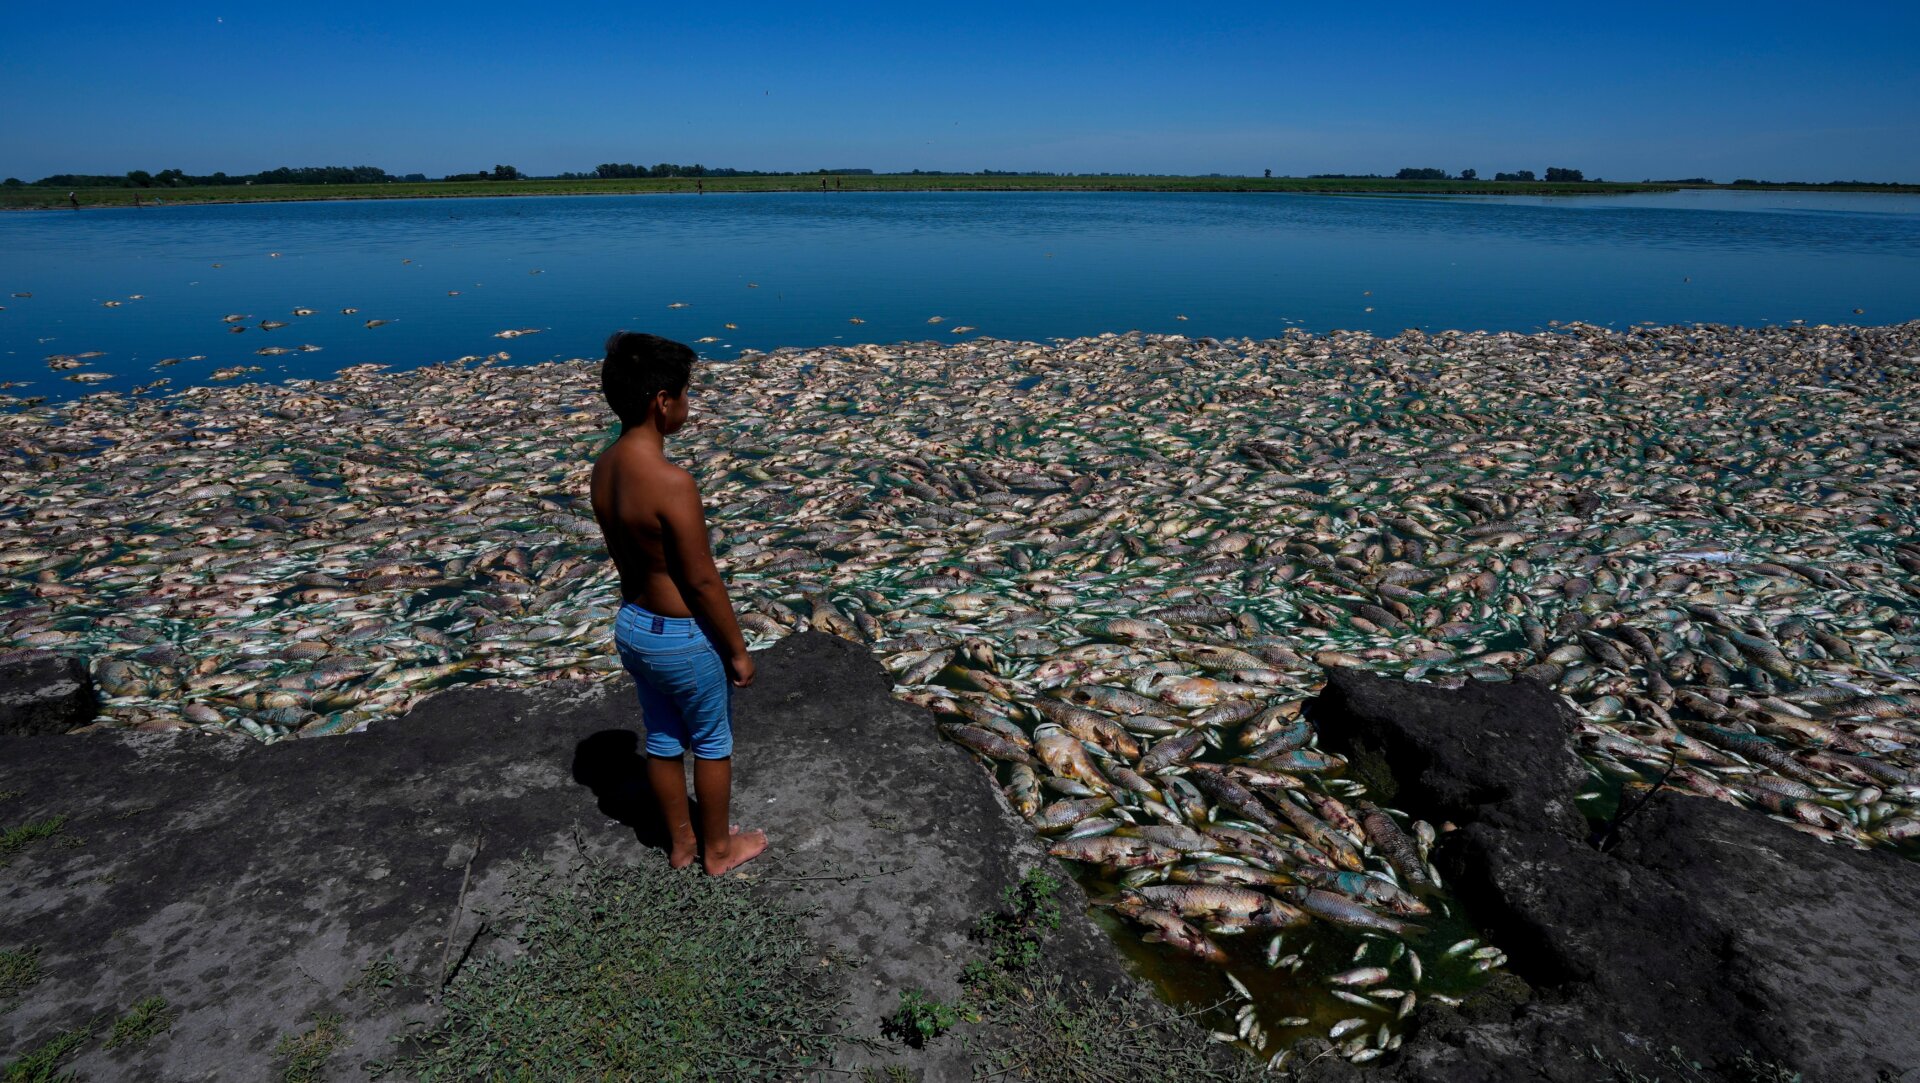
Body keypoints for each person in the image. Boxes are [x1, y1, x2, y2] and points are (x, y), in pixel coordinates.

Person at [591, 331, 766, 876]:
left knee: (663, 739)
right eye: (686, 394)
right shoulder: (672, 483)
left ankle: (682, 843)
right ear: (662, 402)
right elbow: (702, 582)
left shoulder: (605, 467)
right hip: (683, 636)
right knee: (712, 742)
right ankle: (718, 851)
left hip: (634, 627)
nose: (689, 404)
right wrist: (736, 649)